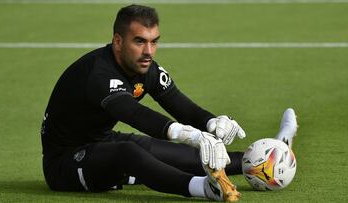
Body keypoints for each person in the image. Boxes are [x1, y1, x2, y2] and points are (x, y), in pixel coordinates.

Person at [41, 4, 297, 202]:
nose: (149, 51)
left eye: (154, 41)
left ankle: (273, 156)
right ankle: (204, 189)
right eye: (139, 41)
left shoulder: (145, 67)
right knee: (128, 153)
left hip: (102, 142)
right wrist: (189, 134)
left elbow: (176, 102)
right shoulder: (98, 74)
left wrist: (211, 122)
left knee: (194, 157)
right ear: (118, 41)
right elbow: (133, 113)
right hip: (66, 162)